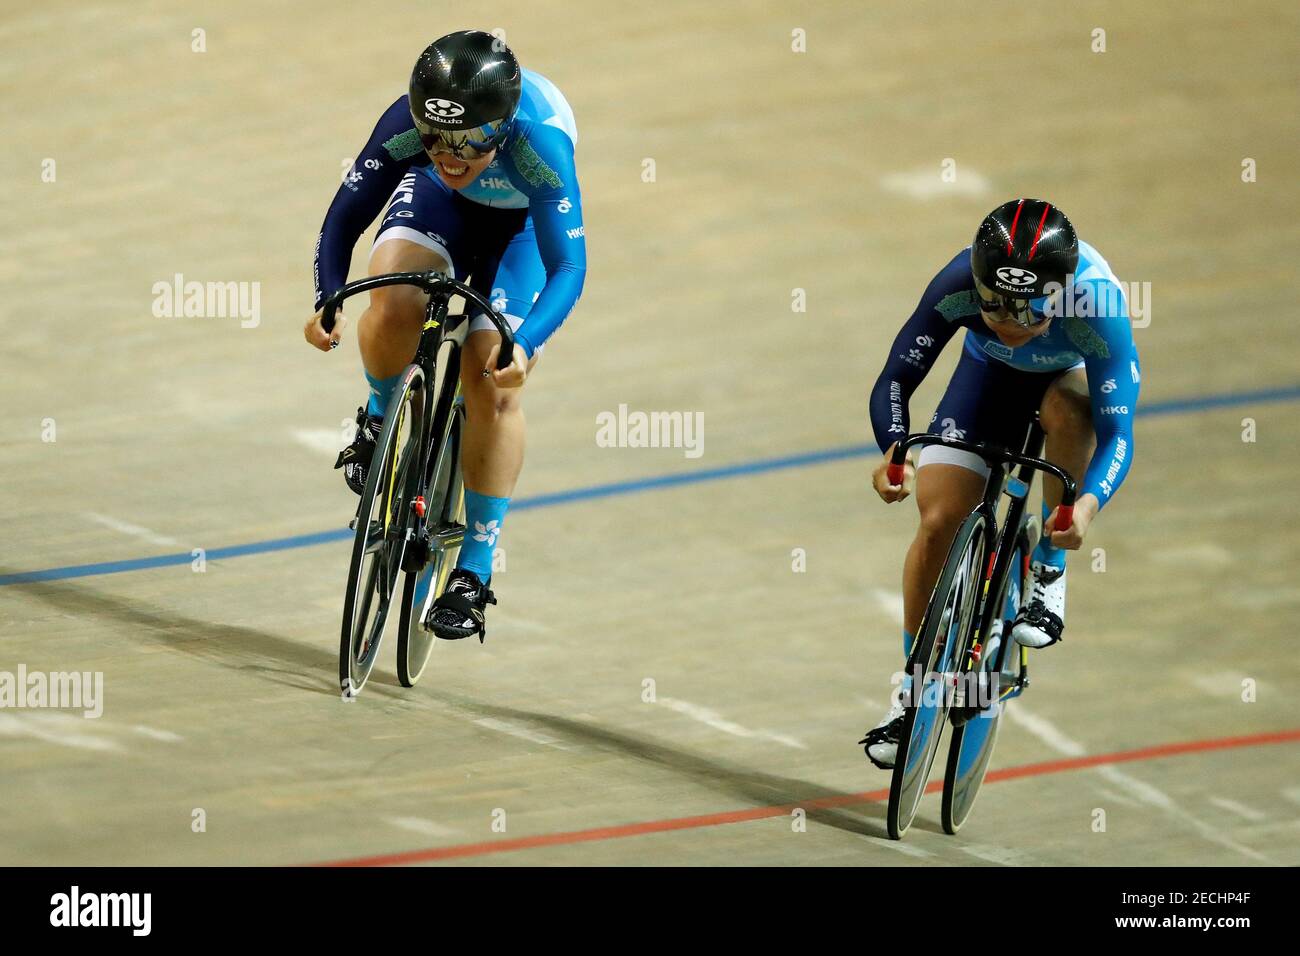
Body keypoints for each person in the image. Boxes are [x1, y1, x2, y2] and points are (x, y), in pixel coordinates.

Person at [303, 30, 586, 641]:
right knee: (395, 288)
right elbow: (345, 217)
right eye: (435, 139)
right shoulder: (410, 129)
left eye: (469, 142)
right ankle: (379, 423)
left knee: (491, 375)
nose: (450, 155)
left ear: (503, 126)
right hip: (437, 208)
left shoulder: (539, 146)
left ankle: (474, 571)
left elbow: (568, 266)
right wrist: (328, 296)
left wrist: (525, 342)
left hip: (519, 237)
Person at [860, 199, 1139, 768]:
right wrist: (895, 449)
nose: (1011, 326)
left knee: (1070, 410)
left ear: (1060, 300)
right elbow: (897, 377)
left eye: (1028, 315)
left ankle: (1047, 570)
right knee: (939, 522)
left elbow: (1117, 434)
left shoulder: (1097, 307)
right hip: (985, 377)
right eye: (997, 312)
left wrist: (1084, 506)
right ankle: (914, 691)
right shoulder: (958, 281)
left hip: (1067, 379)